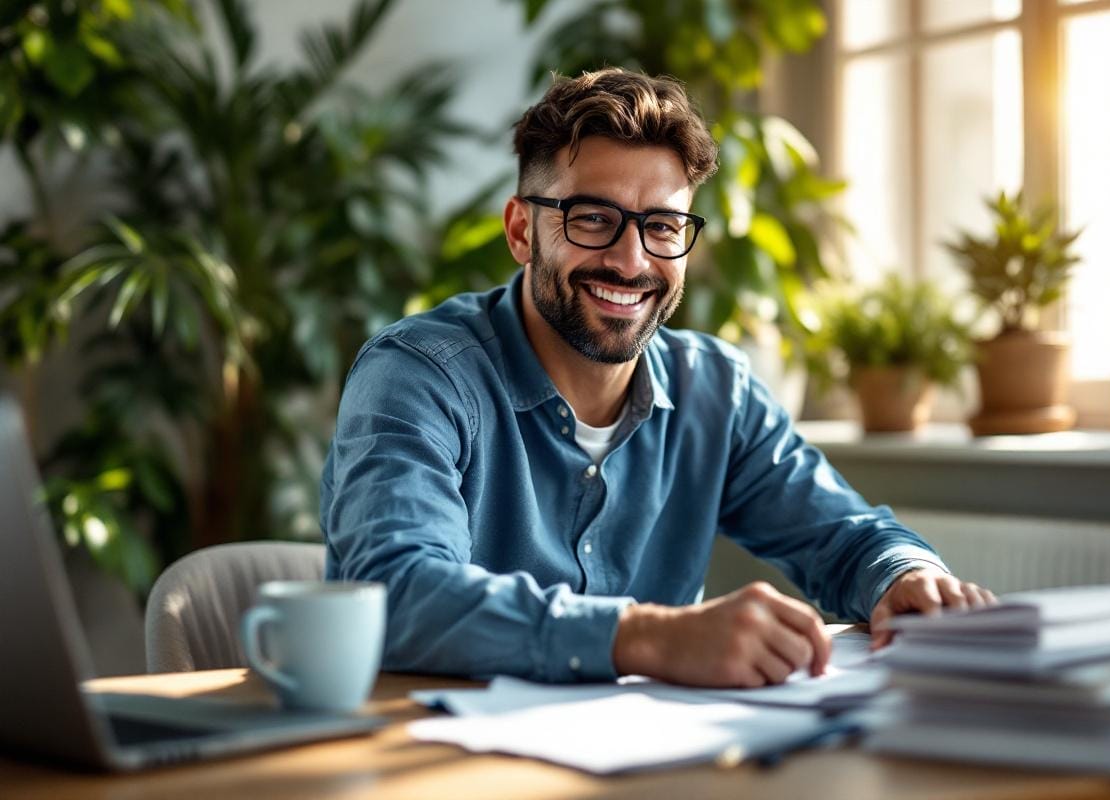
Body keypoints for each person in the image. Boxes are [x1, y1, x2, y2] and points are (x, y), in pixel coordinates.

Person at [320, 67, 994, 688]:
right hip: (437, 752)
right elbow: (395, 595)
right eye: (593, 219)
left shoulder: (716, 391)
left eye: (664, 227)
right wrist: (645, 637)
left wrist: (906, 575)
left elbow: (844, 536)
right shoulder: (419, 377)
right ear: (522, 231)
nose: (631, 260)